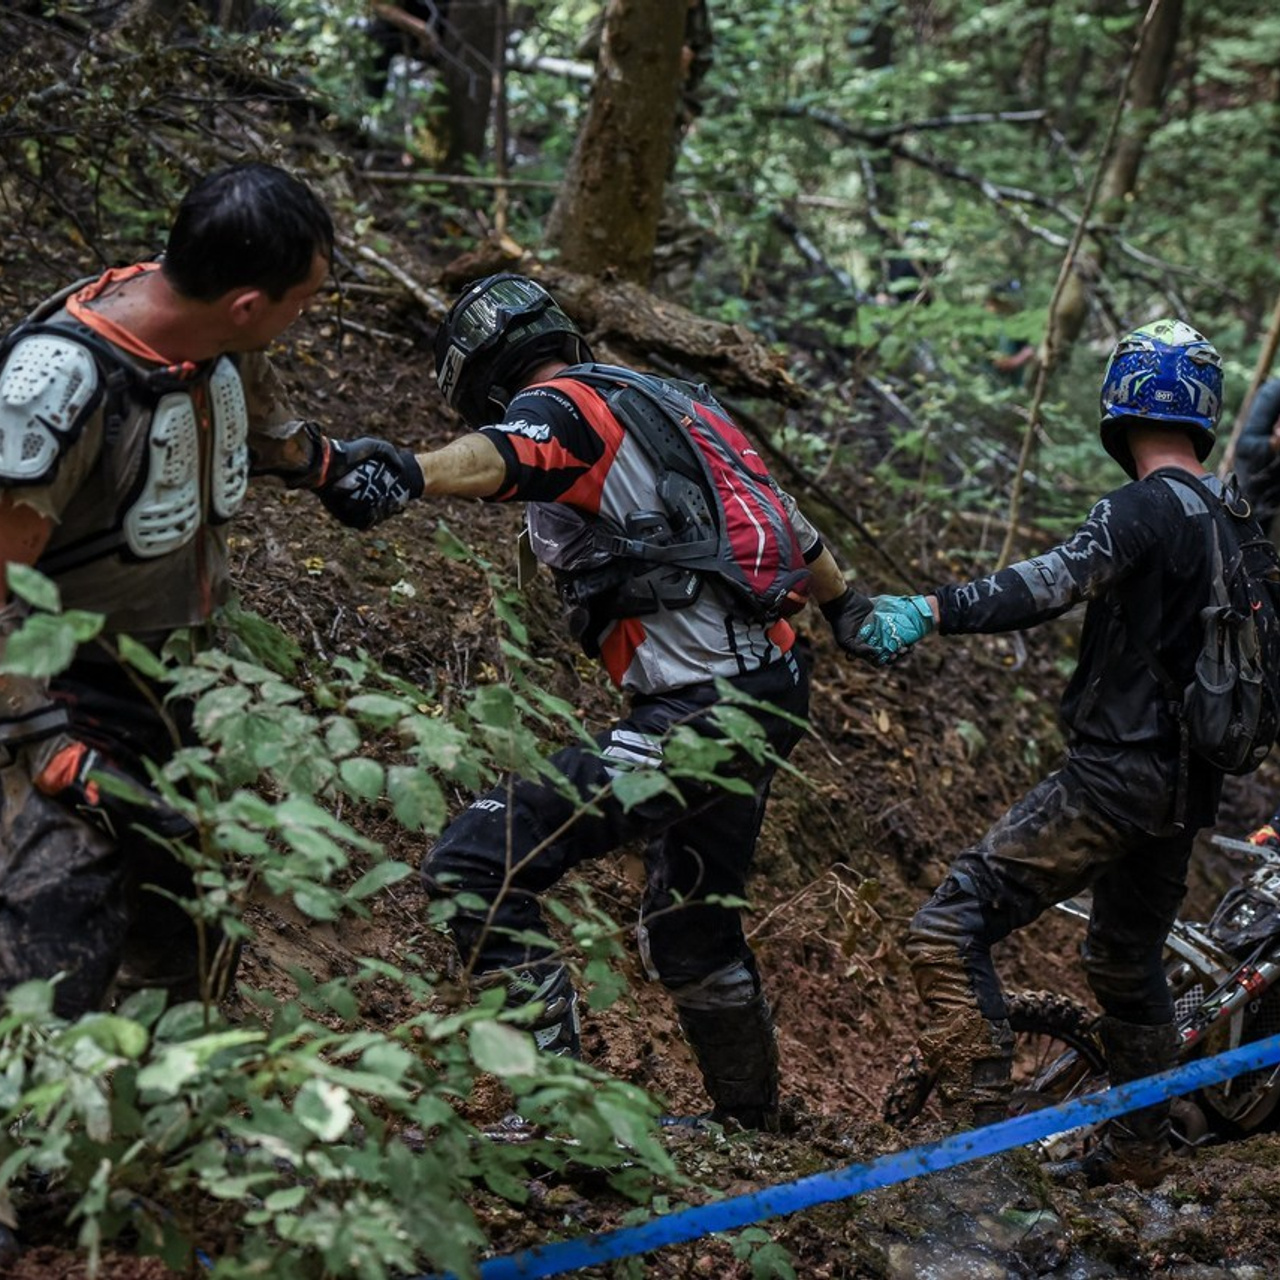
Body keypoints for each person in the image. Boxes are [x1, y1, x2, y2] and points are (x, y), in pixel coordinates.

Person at [406, 274, 874, 1130]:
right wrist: (850, 611)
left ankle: (558, 1118)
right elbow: (799, 532)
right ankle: (753, 1124)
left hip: (708, 712)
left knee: (477, 860)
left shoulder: (562, 410)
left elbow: (502, 459)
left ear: (483, 383)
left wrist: (408, 471)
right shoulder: (678, 405)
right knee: (693, 928)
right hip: (770, 688)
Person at [0, 162, 423, 1019]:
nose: (302, 316)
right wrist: (43, 742)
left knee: (189, 938)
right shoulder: (61, 384)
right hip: (60, 701)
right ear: (244, 303)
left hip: (175, 692)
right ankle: (33, 1147)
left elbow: (249, 418)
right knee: (48, 966)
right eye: (300, 299)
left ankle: (167, 1135)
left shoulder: (213, 335)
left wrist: (328, 467)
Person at [857, 320, 1234, 1185]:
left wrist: (930, 610)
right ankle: (1140, 1155)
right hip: (1188, 796)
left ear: (1119, 404)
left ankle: (985, 1163)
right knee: (1124, 960)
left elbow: (1051, 582)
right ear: (1203, 412)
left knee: (948, 930)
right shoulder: (1241, 525)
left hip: (1112, 779)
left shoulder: (1140, 508)